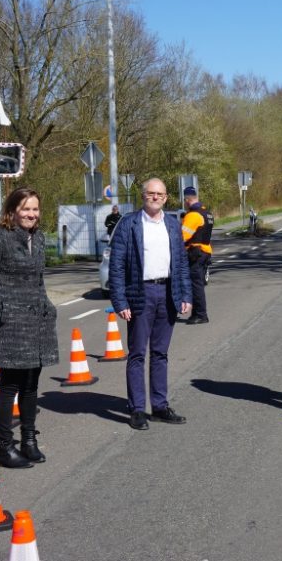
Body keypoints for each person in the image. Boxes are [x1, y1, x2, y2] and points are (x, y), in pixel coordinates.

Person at [0, 188, 58, 468]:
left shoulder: (40, 238)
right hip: (11, 322)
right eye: (25, 209)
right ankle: (5, 447)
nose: (31, 214)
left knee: (31, 383)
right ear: (12, 212)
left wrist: (48, 307)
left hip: (38, 319)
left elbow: (38, 279)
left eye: (35, 209)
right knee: (10, 385)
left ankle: (29, 440)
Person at [109, 178, 191, 430]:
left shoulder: (172, 224)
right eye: (150, 193)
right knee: (137, 354)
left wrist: (186, 295)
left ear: (166, 198)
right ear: (143, 196)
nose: (155, 197)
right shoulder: (128, 224)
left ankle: (160, 405)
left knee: (161, 353)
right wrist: (120, 300)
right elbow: (117, 265)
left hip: (167, 293)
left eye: (160, 194)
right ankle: (136, 409)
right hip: (140, 293)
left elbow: (180, 263)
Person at [180, 186, 213, 325]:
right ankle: (196, 314)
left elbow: (182, 236)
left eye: (185, 200)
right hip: (205, 251)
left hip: (195, 253)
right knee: (197, 283)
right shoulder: (207, 213)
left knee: (195, 284)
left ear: (187, 200)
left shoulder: (193, 215)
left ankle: (200, 314)